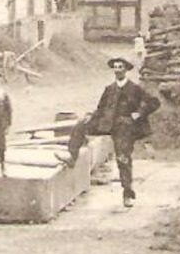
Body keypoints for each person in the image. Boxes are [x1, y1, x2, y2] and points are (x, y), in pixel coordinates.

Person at [61, 57, 161, 208]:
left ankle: (128, 194)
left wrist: (140, 113)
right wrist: (90, 116)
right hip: (107, 124)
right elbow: (101, 109)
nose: (118, 70)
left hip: (125, 128)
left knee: (123, 158)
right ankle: (72, 156)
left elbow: (154, 102)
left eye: (121, 67)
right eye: (115, 67)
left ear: (126, 70)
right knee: (80, 125)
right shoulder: (109, 89)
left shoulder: (135, 88)